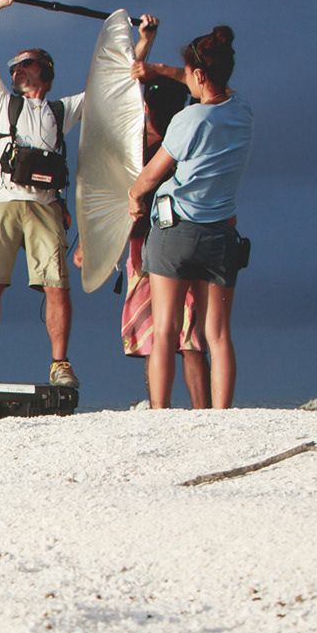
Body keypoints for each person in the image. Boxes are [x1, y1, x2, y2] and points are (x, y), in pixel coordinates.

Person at [0, 0, 84, 391]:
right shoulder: (1, 104)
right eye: (14, 67)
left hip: (46, 207)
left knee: (57, 285)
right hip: (0, 204)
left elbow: (113, 89)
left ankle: (60, 365)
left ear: (44, 70)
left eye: (25, 65)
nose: (16, 72)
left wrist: (140, 45)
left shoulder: (61, 111)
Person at [127, 26, 251, 409]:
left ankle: (160, 412)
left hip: (175, 231)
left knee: (165, 329)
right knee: (217, 333)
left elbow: (151, 175)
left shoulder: (188, 120)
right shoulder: (243, 111)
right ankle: (221, 414)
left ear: (199, 74)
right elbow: (196, 78)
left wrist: (134, 197)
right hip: (221, 236)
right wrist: (161, 70)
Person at [116, 35, 212, 406]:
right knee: (183, 336)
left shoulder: (164, 137)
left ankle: (171, 411)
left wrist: (148, 58)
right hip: (169, 238)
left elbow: (126, 87)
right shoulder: (191, 128)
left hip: (156, 241)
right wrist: (147, 52)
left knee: (173, 337)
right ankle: (193, 412)